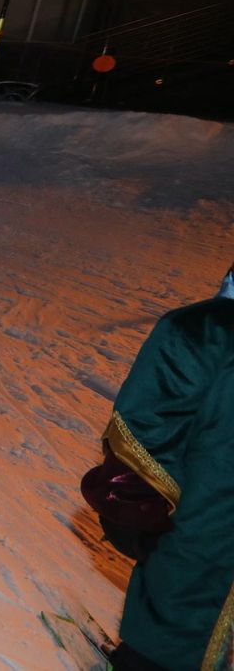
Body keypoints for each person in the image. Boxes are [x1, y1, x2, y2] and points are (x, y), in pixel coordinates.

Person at [90, 264, 234, 671]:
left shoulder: (198, 331)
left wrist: (131, 527)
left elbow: (141, 452)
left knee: (171, 638)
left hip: (196, 555)